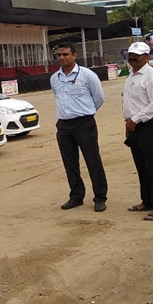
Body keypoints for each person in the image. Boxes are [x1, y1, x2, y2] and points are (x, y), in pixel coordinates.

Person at [50, 42, 108, 212]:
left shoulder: (87, 75)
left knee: (93, 160)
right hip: (64, 125)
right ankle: (76, 196)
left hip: (84, 123)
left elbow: (99, 98)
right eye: (59, 55)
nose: (62, 58)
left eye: (65, 54)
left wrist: (86, 113)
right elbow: (58, 96)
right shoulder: (55, 78)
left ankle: (100, 197)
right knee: (70, 163)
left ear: (74, 55)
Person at [122, 42, 153, 220]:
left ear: (147, 57)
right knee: (141, 166)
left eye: (137, 55)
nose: (132, 58)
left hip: (149, 126)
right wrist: (129, 124)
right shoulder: (131, 75)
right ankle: (147, 200)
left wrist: (134, 119)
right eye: (130, 55)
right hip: (133, 127)